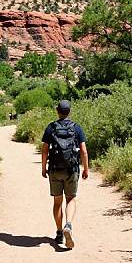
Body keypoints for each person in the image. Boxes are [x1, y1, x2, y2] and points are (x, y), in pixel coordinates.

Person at [41, 100, 89, 249]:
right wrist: (86, 168)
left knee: (57, 202)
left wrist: (44, 168)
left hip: (55, 169)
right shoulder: (76, 128)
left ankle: (59, 232)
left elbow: (44, 150)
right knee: (71, 199)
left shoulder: (51, 127)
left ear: (57, 111)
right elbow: (83, 150)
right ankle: (68, 225)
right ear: (69, 111)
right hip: (71, 169)